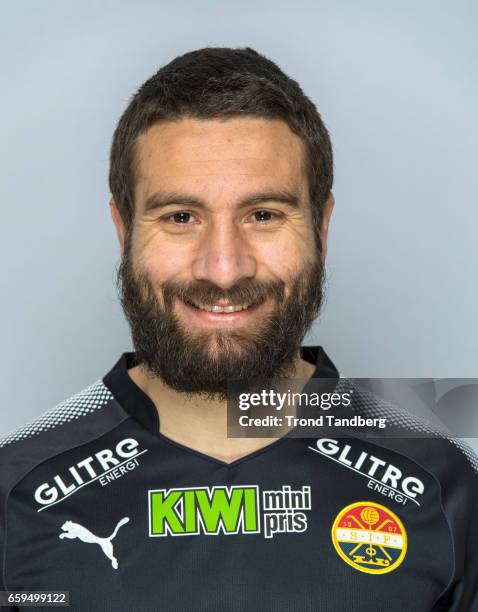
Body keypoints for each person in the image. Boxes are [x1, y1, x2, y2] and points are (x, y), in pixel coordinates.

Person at [0, 47, 476, 612]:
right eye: (180, 217)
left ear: (321, 227)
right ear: (123, 229)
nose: (224, 270)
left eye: (264, 215)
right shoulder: (16, 489)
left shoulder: (446, 481)